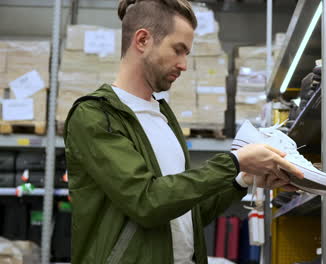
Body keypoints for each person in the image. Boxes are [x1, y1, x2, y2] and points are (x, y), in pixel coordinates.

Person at [63, 0, 303, 263]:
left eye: (187, 53)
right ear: (142, 40)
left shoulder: (163, 116)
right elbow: (147, 202)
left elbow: (185, 212)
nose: (184, 64)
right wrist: (234, 162)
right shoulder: (96, 115)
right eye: (178, 50)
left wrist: (242, 179)